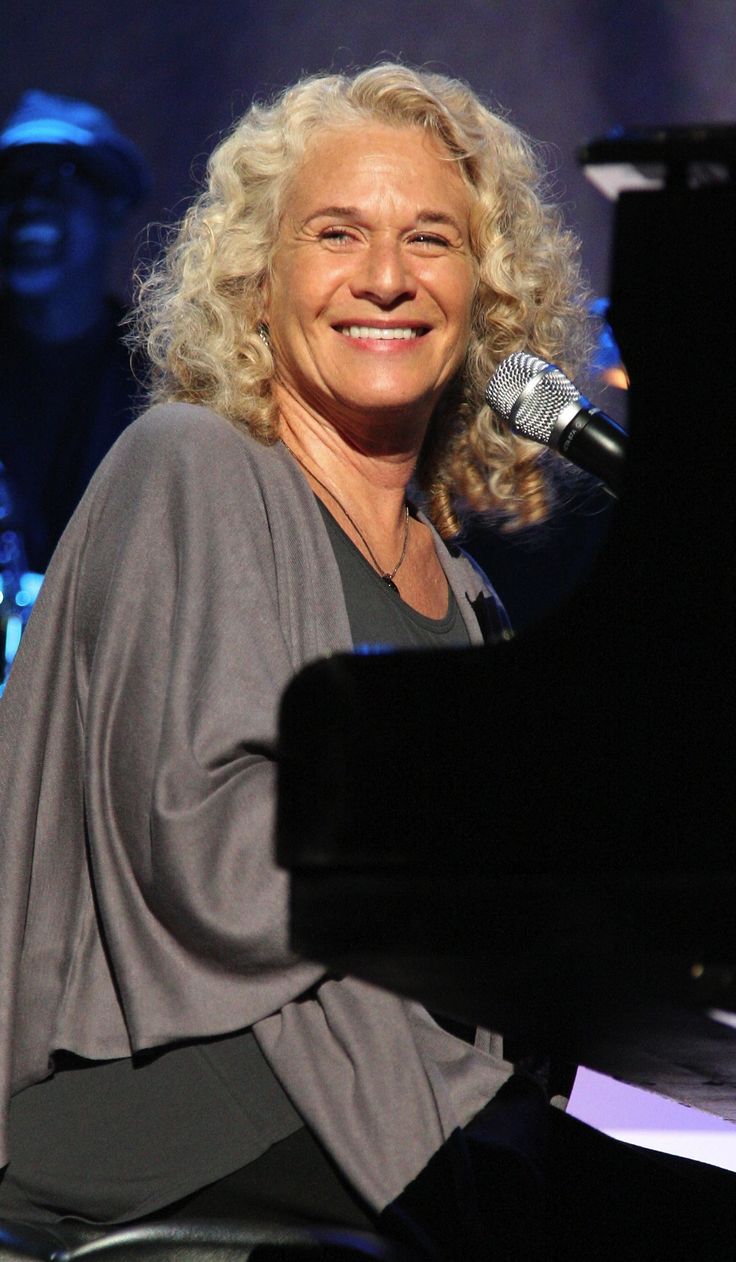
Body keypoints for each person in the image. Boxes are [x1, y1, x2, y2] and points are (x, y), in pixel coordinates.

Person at [4, 64, 732, 1261]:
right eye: (336, 233)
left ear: (484, 291)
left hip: (394, 1111)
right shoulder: (190, 465)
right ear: (259, 277)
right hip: (209, 1110)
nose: (386, 278)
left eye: (429, 239)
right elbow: (213, 861)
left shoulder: (470, 590)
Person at [0, 90, 150, 572]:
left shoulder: (164, 382)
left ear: (111, 211)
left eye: (62, 178)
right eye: (13, 183)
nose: (32, 203)